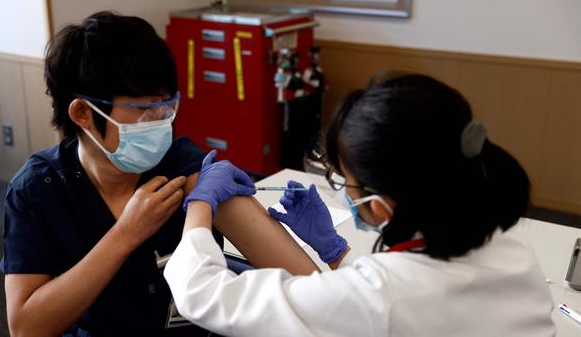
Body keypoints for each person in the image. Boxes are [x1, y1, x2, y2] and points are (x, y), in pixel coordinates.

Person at [164, 72, 556, 336]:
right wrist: (338, 253)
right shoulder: (510, 245)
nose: (344, 191)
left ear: (382, 204)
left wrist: (200, 204)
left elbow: (205, 295)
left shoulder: (381, 295)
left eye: (345, 181)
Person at [0, 11, 318, 337]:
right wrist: (124, 235)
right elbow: (27, 328)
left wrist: (337, 259)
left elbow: (309, 286)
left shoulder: (183, 168)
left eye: (166, 104)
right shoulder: (40, 189)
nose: (161, 119)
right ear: (82, 112)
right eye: (144, 108)